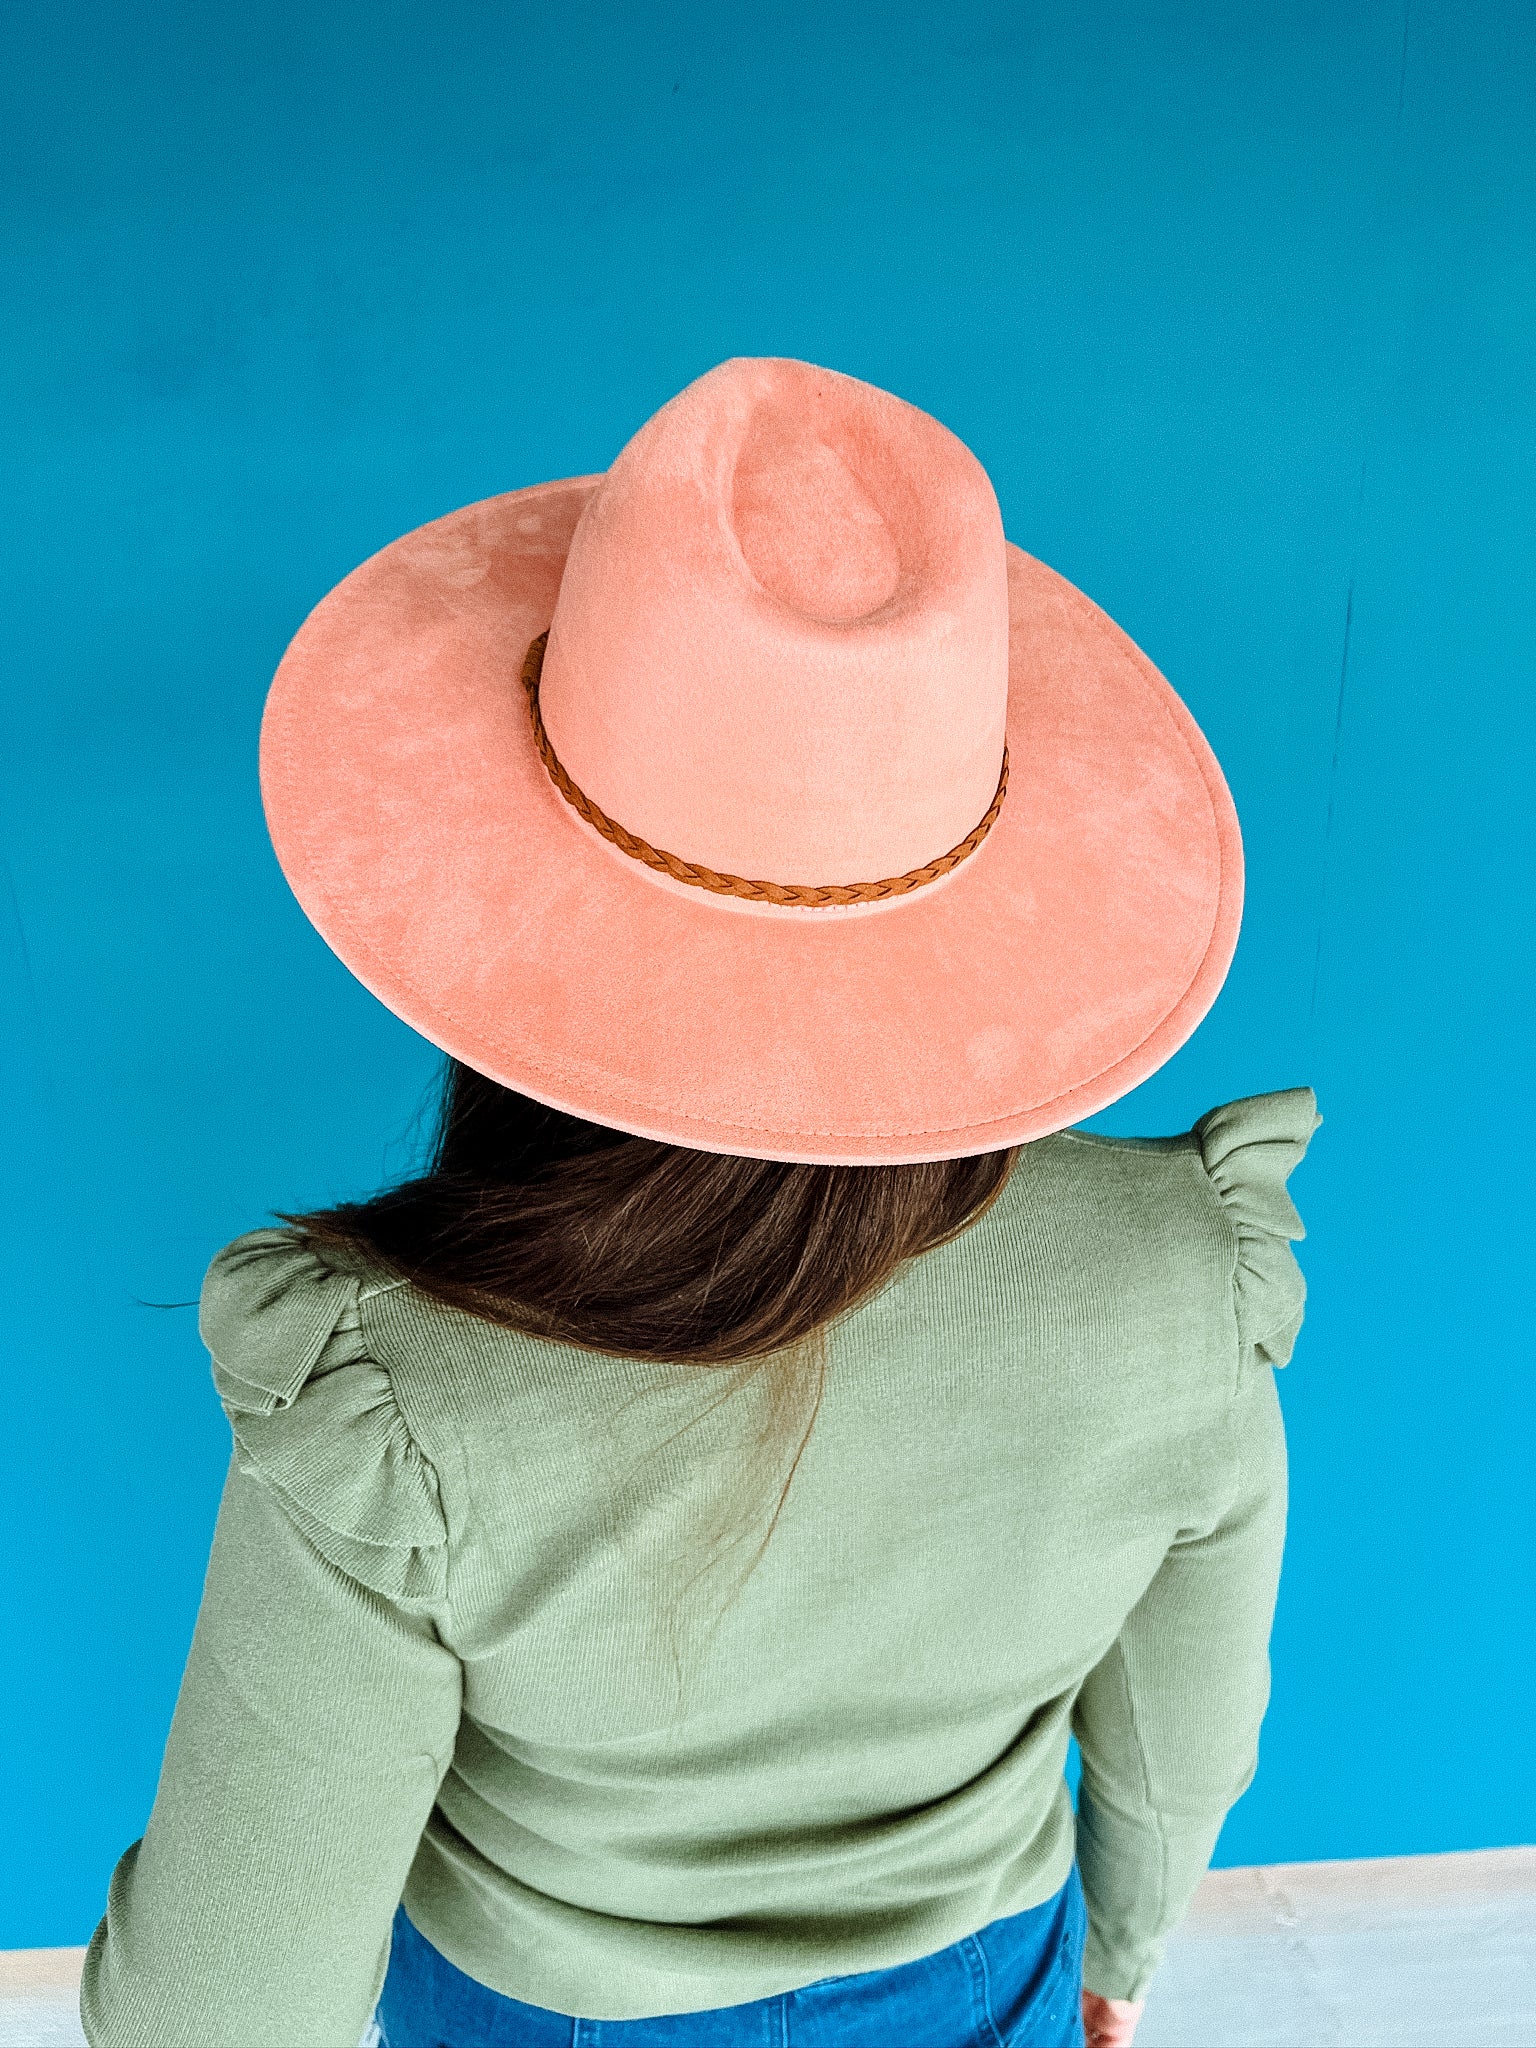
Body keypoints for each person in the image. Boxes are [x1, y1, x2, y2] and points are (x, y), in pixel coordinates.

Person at [80, 357, 1318, 2048]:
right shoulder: (1187, 1269)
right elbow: (1191, 1717)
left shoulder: (390, 1390)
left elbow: (226, 1997)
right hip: (991, 1975)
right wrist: (1130, 1943)